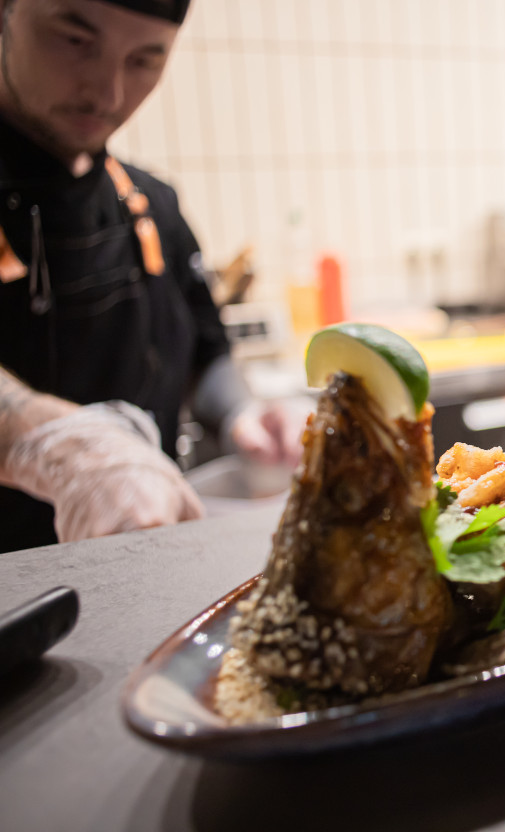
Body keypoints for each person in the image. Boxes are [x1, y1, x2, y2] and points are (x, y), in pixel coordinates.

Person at [0, 0, 304, 553]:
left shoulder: (151, 206)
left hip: (145, 571)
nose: (108, 92)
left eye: (144, 60)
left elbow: (206, 355)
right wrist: (54, 443)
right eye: (76, 41)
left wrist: (243, 414)